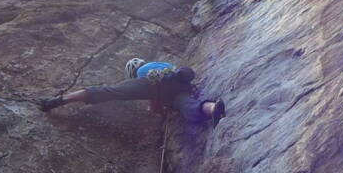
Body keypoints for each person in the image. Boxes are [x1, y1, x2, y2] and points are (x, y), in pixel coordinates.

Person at [39, 58, 226, 123]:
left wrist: (158, 111)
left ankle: (60, 100)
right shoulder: (163, 64)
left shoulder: (144, 74)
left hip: (156, 86)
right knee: (187, 105)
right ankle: (212, 109)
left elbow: (153, 98)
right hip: (180, 83)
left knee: (109, 91)